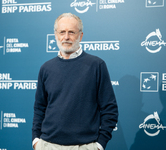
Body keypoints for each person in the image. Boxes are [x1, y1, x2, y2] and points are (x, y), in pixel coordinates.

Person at [32, 13, 118, 150]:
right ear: (55, 35)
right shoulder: (46, 68)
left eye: (71, 32)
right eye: (62, 32)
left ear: (81, 35)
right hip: (47, 145)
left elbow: (109, 109)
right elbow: (39, 108)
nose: (66, 37)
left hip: (84, 146)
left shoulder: (97, 65)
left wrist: (100, 145)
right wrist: (36, 141)